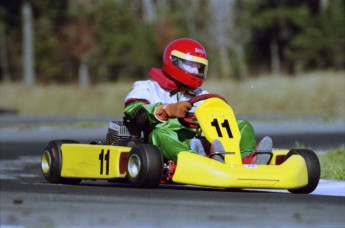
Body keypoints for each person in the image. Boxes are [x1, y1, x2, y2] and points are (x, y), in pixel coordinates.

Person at [123, 38, 270, 164]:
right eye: (191, 65)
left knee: (242, 125)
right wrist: (166, 110)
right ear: (174, 61)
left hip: (199, 135)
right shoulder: (148, 87)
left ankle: (245, 161)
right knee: (160, 134)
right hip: (167, 140)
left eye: (199, 67)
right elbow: (133, 110)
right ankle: (197, 162)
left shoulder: (201, 94)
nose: (195, 71)